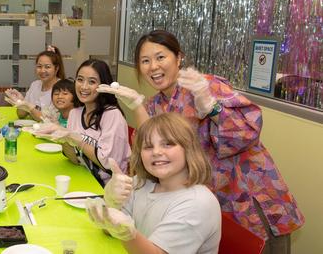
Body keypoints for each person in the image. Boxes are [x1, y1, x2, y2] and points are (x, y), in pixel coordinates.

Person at [98, 29, 304, 251]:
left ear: (178, 58)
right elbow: (149, 153)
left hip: (247, 194)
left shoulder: (205, 86)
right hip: (201, 202)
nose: (153, 67)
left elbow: (248, 131)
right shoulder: (154, 105)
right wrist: (137, 108)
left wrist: (212, 107)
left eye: (160, 57)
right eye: (145, 61)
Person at [86, 113, 221, 254]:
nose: (156, 152)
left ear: (188, 149)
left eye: (168, 144)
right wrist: (111, 202)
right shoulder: (141, 183)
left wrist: (127, 234)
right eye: (148, 146)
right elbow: (109, 230)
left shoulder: (197, 203)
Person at [35, 59, 130, 186]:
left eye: (92, 81)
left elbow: (109, 163)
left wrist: (77, 140)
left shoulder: (112, 115)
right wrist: (63, 138)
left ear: (103, 85)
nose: (84, 86)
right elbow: (75, 159)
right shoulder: (75, 113)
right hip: (82, 180)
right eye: (80, 80)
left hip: (108, 190)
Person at [4, 45, 65, 121]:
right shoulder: (35, 85)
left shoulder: (62, 89)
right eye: (39, 66)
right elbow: (21, 115)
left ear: (56, 69)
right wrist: (20, 102)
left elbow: (46, 119)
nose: (42, 70)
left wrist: (28, 106)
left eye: (47, 67)